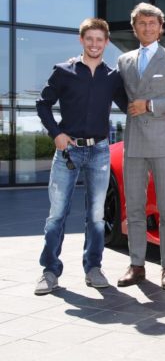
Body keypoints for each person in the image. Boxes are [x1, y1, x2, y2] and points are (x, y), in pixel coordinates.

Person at [35, 18, 128, 295]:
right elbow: (43, 104)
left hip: (99, 150)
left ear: (106, 43)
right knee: (57, 214)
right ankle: (50, 271)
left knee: (96, 215)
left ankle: (93, 268)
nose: (95, 44)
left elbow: (130, 105)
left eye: (100, 40)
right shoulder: (63, 71)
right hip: (68, 150)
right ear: (82, 40)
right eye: (90, 39)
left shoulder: (113, 77)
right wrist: (56, 134)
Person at [116, 3, 165, 290]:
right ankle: (137, 266)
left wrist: (149, 105)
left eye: (152, 23)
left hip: (163, 144)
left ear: (161, 27)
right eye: (141, 23)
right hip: (134, 144)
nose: (147, 28)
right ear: (134, 28)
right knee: (134, 208)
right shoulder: (123, 61)